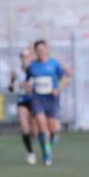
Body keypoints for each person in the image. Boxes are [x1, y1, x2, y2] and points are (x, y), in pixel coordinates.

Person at [24, 39, 71, 167]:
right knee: (42, 126)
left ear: (46, 50)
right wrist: (27, 87)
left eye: (43, 49)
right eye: (38, 50)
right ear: (36, 51)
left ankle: (54, 135)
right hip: (37, 99)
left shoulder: (54, 64)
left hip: (51, 98)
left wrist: (59, 88)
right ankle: (46, 155)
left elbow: (64, 77)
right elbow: (27, 80)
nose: (41, 52)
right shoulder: (32, 66)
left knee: (52, 128)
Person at [8, 47, 38, 165]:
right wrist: (12, 84)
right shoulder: (16, 71)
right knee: (24, 127)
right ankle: (30, 153)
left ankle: (37, 141)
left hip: (36, 101)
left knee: (34, 131)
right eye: (22, 56)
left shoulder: (36, 69)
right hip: (22, 100)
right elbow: (10, 87)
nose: (24, 58)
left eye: (26, 56)